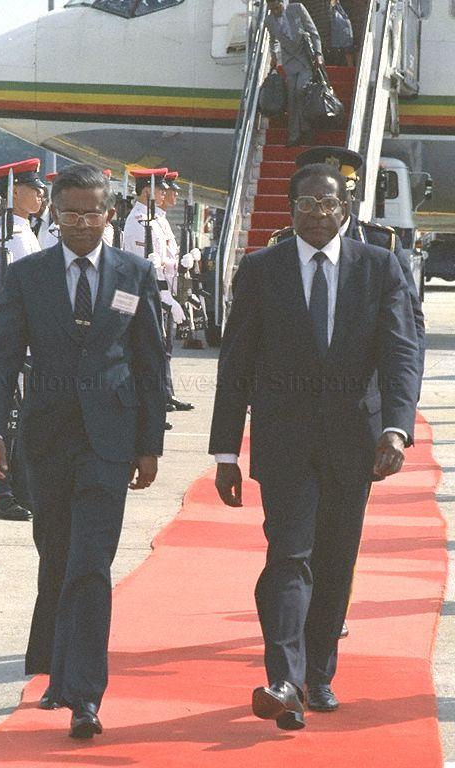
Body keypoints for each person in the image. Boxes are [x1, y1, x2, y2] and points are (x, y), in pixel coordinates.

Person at [209, 163, 419, 730]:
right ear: (291, 207)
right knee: (288, 556)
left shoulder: (379, 266)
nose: (316, 214)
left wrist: (396, 427)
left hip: (356, 439)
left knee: (333, 561)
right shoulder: (260, 270)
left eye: (326, 204)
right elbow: (236, 364)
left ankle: (319, 674)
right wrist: (225, 450)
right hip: (283, 441)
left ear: (344, 207)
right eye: (305, 204)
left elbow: (401, 352)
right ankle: (284, 678)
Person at [0, 163, 167, 739]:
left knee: (91, 562)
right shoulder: (27, 274)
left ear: (110, 214)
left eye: (93, 212)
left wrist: (149, 443)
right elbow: (3, 356)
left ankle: (85, 693)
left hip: (110, 441)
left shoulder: (135, 273)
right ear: (54, 217)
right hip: (47, 437)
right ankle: (57, 672)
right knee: (56, 554)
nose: (83, 222)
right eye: (70, 213)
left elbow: (151, 362)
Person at [269, 145, 426, 392]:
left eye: (333, 199)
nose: (323, 211)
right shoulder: (282, 246)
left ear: (349, 197)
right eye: (313, 199)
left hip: (362, 396)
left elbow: (410, 323)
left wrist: (407, 390)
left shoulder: (381, 245)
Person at [0, 159, 47, 522]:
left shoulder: (25, 232)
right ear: (13, 192)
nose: (40, 194)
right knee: (7, 419)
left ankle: (18, 488)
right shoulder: (8, 234)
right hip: (12, 335)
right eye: (32, 188)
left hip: (27, 336)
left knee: (21, 420)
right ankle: (0, 493)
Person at [123, 168, 187, 428]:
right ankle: (149, 408)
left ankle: (158, 402)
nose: (164, 193)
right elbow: (145, 268)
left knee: (158, 352)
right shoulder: (139, 222)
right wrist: (165, 297)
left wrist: (179, 264)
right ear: (147, 190)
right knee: (147, 354)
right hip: (145, 295)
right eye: (160, 189)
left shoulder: (153, 220)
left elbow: (162, 261)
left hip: (159, 292)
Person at [266, 0, 324, 146]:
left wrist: (318, 53)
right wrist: (274, 56)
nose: (275, 11)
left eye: (277, 7)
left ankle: (306, 128)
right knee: (291, 98)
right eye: (272, 9)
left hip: (305, 59)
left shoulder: (297, 9)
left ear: (282, 3)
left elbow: (313, 30)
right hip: (289, 62)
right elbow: (273, 41)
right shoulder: (269, 20)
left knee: (300, 89)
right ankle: (294, 135)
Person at [159, 171, 194, 412]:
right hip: (159, 293)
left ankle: (167, 393)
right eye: (169, 189)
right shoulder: (144, 222)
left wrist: (186, 258)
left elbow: (168, 258)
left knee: (167, 348)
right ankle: (161, 395)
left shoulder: (160, 220)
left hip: (169, 290)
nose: (173, 193)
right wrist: (166, 297)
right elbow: (153, 264)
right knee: (160, 349)